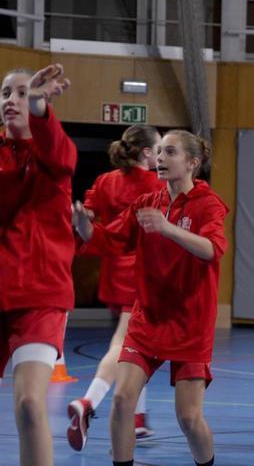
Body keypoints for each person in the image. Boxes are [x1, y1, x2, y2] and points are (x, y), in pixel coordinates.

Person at [73, 130, 228, 466]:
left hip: (191, 322)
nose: (160, 158)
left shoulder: (208, 204)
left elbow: (211, 250)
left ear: (192, 163)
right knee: (122, 401)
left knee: (188, 418)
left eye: (170, 152)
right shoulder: (147, 203)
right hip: (147, 318)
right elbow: (110, 239)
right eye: (159, 151)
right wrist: (85, 228)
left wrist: (168, 228)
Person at [67, 125, 164, 451]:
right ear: (148, 153)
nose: (163, 155)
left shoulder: (106, 181)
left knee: (138, 347)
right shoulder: (157, 185)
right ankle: (88, 403)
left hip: (111, 275)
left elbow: (86, 217)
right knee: (123, 345)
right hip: (142, 276)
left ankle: (138, 419)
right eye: (161, 148)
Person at [0, 64, 74, 466]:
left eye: (22, 93)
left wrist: (40, 106)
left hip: (40, 294)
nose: (13, 100)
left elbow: (59, 154)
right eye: (7, 93)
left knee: (30, 403)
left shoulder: (52, 155)